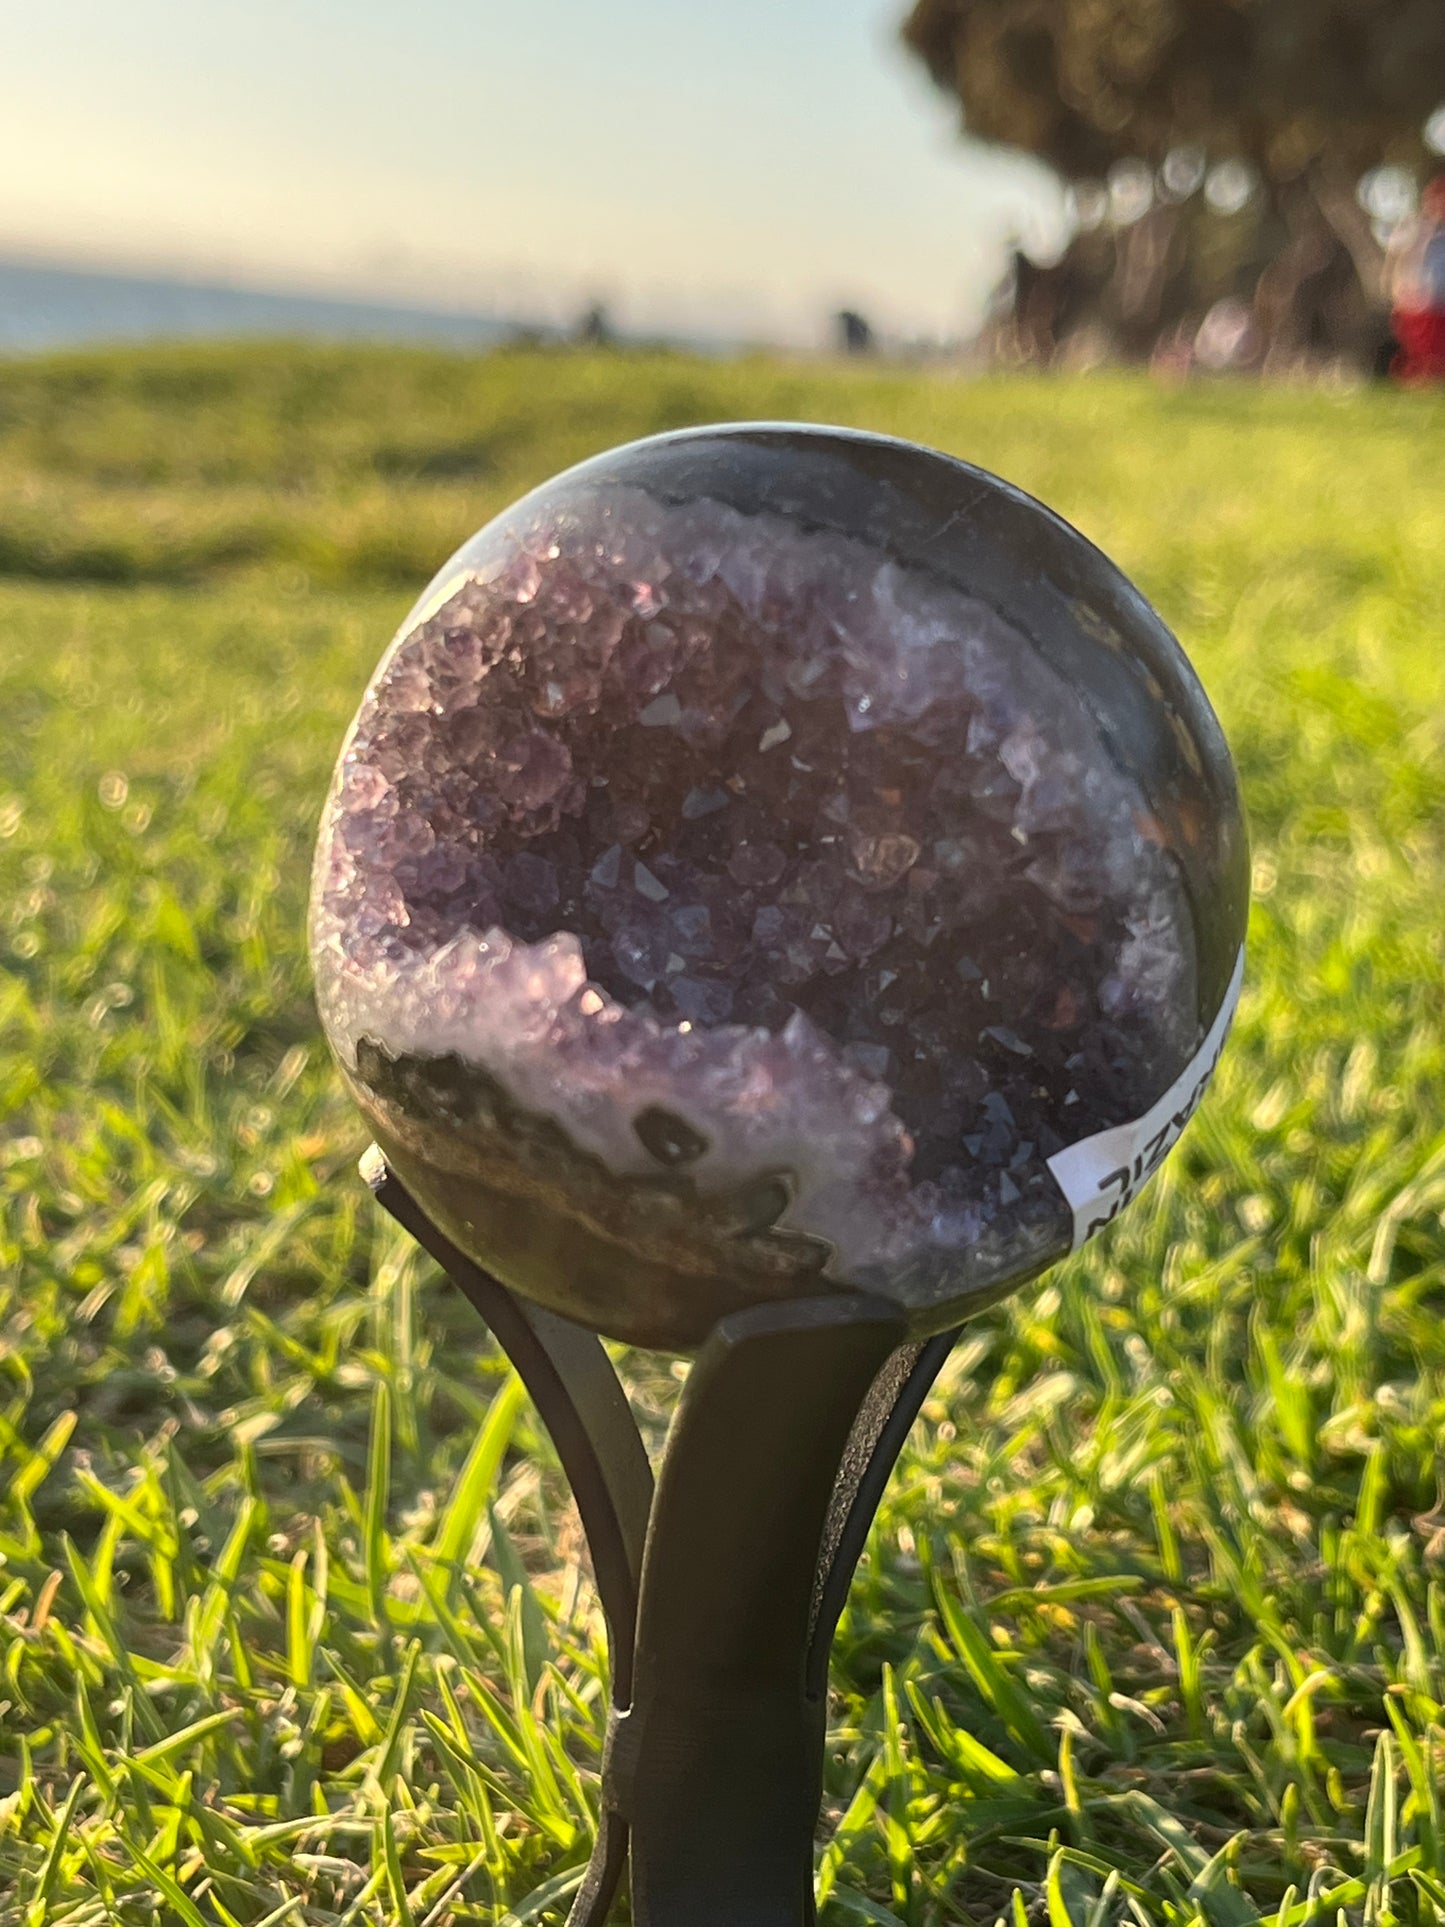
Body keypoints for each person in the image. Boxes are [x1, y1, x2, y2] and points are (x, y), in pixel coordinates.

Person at [1389, 176, 1445, 382]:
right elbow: (1398, 261)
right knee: (1421, 354)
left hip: (1441, 304)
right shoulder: (1414, 227)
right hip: (1418, 304)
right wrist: (1399, 293)